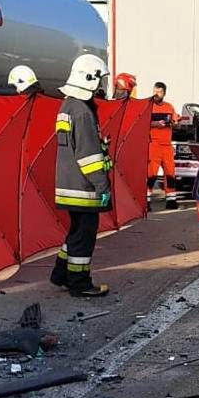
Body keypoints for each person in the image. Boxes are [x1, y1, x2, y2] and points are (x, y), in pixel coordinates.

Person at [50, 53, 112, 297]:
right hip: (83, 188)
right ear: (90, 80)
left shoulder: (67, 106)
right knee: (84, 237)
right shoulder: (83, 112)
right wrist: (102, 186)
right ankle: (80, 283)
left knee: (75, 233)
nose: (101, 88)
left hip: (68, 184)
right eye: (99, 82)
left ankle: (60, 273)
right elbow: (88, 156)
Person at [147, 81, 179, 209]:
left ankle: (171, 200)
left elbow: (175, 121)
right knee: (151, 174)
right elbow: (141, 123)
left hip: (167, 145)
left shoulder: (169, 107)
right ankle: (146, 201)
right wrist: (155, 124)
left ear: (164, 93)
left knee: (170, 173)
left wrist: (174, 123)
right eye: (154, 91)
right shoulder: (148, 106)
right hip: (153, 144)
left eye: (159, 92)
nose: (156, 94)